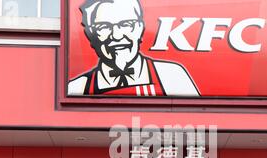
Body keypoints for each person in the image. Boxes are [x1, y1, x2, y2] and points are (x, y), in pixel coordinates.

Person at [68, 0, 200, 97]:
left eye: (126, 24)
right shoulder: (77, 87)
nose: (117, 35)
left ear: (140, 28)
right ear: (90, 34)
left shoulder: (171, 75)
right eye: (104, 27)